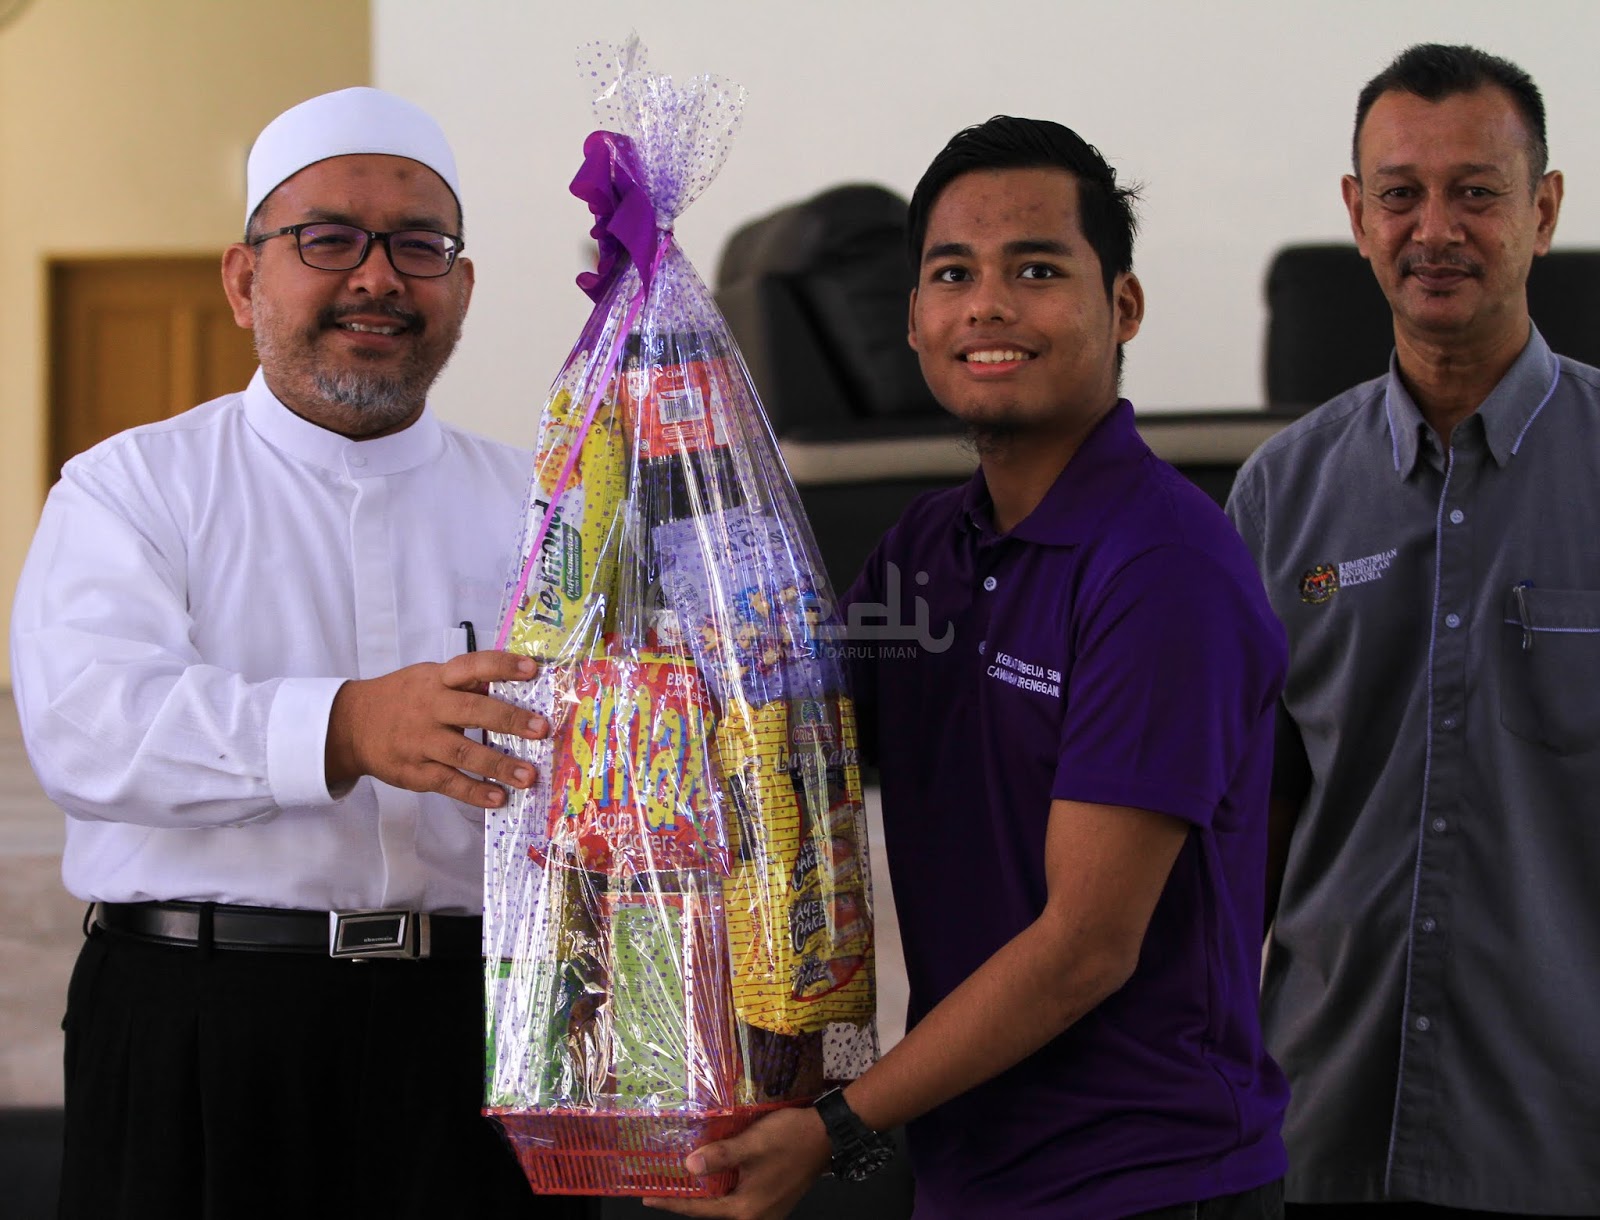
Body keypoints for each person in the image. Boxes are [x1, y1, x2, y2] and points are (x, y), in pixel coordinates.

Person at [647, 117, 1289, 1220]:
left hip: (1144, 1182)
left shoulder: (1163, 570)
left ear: (1123, 305)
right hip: (971, 1169)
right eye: (954, 274)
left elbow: (1086, 947)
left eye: (1036, 270)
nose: (987, 306)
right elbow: (781, 753)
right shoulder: (924, 550)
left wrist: (838, 1125)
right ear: (914, 319)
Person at [10, 87, 592, 1219]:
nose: (377, 277)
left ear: (461, 286)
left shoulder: (547, 508)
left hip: (486, 1031)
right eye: (328, 239)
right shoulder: (132, 489)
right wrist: (345, 726)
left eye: (418, 245)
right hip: (202, 1021)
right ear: (244, 280)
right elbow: (88, 728)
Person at [1226, 43, 1600, 1217]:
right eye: (1400, 193)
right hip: (1317, 1127)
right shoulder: (1279, 494)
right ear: (1357, 214)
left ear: (1543, 211)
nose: (1433, 228)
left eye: (1475, 192)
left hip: (1563, 1139)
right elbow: (1245, 830)